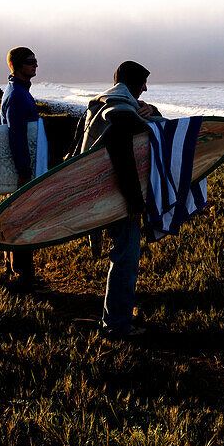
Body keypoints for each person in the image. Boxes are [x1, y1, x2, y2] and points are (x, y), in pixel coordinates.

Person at [72, 61, 163, 338]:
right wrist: (135, 203)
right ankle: (116, 325)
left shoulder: (104, 103)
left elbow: (145, 125)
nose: (146, 88)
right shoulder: (120, 110)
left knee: (122, 255)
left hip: (106, 193)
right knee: (125, 257)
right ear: (130, 82)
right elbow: (123, 155)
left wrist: (151, 110)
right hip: (118, 195)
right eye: (142, 83)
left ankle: (117, 316)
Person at [0, 46, 40, 290]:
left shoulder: (19, 91)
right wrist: (24, 173)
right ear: (15, 64)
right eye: (30, 61)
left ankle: (15, 271)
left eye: (36, 60)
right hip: (21, 171)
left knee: (16, 219)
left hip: (21, 169)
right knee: (22, 221)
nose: (35, 65)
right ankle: (23, 278)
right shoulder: (16, 95)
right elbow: (17, 137)